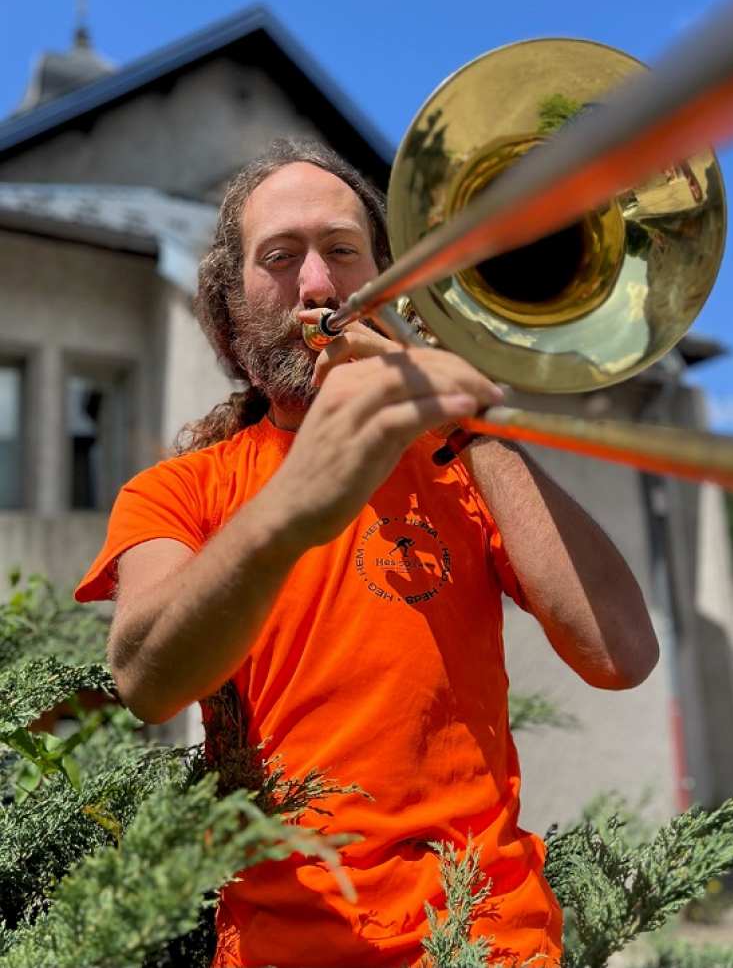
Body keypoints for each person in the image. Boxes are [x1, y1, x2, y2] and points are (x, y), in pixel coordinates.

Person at [75, 139, 659, 968]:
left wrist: (459, 420)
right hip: (287, 950)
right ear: (231, 315)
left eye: (343, 251)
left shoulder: (462, 466)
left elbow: (621, 652)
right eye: (280, 258)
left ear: (386, 284)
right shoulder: (180, 491)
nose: (318, 284)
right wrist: (290, 507)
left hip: (491, 940)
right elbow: (146, 678)